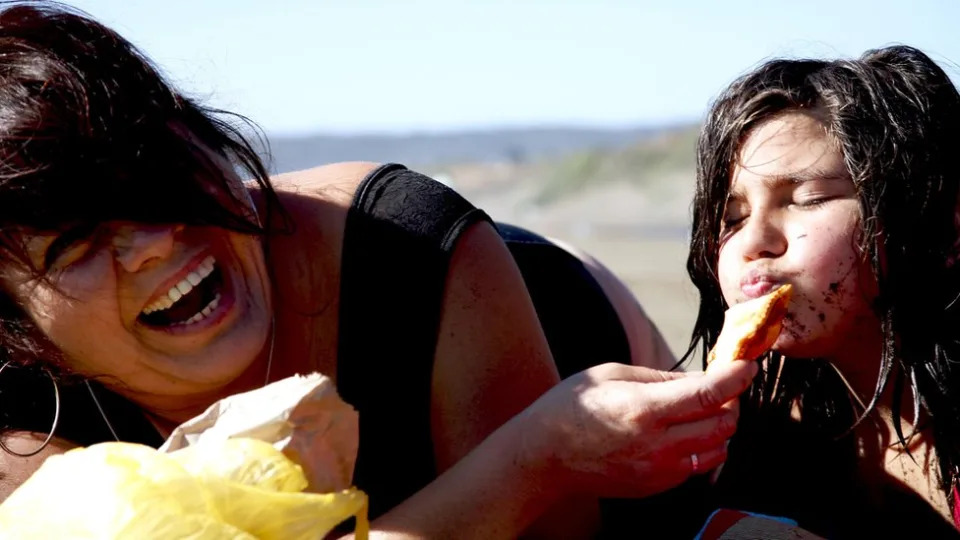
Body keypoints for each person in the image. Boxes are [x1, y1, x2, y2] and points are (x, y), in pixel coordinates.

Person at [0, 3, 757, 538]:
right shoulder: (17, 412)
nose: (155, 242)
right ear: (15, 327)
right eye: (73, 242)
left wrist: (548, 451)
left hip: (557, 330)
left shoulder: (406, 240)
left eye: (155, 174)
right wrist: (532, 458)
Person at [625, 45, 960, 538]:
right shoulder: (767, 421)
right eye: (732, 217)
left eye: (808, 198)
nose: (754, 242)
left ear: (941, 226)